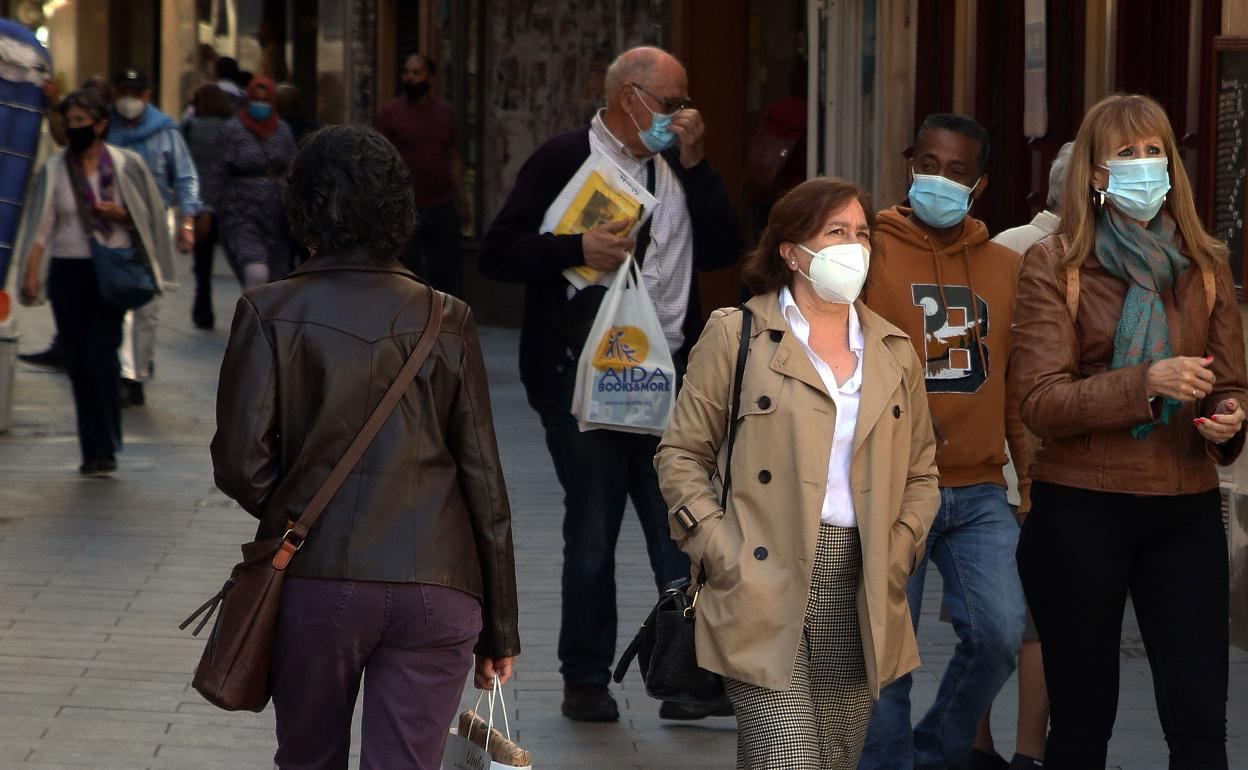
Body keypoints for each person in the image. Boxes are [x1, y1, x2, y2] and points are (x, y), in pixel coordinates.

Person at [211, 124, 520, 768]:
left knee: (308, 756)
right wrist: (501, 627)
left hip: (319, 578)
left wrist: (300, 517)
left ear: (302, 206)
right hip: (440, 583)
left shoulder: (268, 311)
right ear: (397, 207)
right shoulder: (447, 315)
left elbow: (242, 464)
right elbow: (484, 482)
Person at [478, 45, 742, 723]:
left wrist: (699, 166)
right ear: (632, 98)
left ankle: (684, 676)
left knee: (677, 528)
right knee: (592, 529)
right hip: (583, 383)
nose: (683, 114)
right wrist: (576, 249)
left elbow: (722, 251)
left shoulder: (679, 169)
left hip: (671, 381)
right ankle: (586, 678)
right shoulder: (564, 159)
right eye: (674, 101)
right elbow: (499, 253)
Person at [656, 177, 940, 768]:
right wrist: (719, 549)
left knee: (834, 757)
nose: (854, 246)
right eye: (836, 232)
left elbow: (921, 471)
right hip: (761, 575)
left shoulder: (894, 351)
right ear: (790, 249)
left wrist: (901, 546)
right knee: (785, 760)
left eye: (862, 234)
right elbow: (682, 455)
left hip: (861, 580)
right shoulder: (737, 335)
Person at [1012, 93, 1246, 770]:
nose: (1145, 167)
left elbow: (1230, 383)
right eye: (1127, 153)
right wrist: (1146, 383)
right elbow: (1040, 401)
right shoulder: (1055, 263)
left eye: (1155, 152)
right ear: (1094, 171)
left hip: (1184, 506)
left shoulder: (1206, 264)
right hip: (1081, 507)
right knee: (1083, 722)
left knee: (1201, 719)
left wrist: (1227, 419)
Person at [858, 113, 1029, 770]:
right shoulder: (868, 252)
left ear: (978, 184)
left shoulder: (1005, 268)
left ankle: (934, 751)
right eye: (929, 164)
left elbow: (1015, 382)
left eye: (957, 171)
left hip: (981, 487)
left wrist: (1030, 482)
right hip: (890, 485)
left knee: (999, 633)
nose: (940, 179)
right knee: (885, 654)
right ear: (909, 165)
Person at [963, 141, 1073, 770]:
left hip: (1004, 463)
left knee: (997, 616)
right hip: (1025, 463)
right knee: (1033, 619)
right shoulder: (1031, 255)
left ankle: (981, 745)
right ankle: (1024, 751)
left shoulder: (1002, 246)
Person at [14, 90, 171, 475]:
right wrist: (32, 271)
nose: (73, 128)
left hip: (110, 273)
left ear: (101, 125)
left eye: (81, 121)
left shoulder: (124, 165)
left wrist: (121, 213)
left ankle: (107, 444)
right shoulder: (55, 169)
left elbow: (149, 216)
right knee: (78, 363)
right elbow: (43, 225)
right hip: (69, 274)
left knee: (102, 356)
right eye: (69, 122)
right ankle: (92, 448)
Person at [107, 67, 200, 406]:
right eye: (124, 90)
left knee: (146, 303)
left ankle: (136, 374)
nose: (130, 98)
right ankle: (119, 368)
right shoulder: (104, 128)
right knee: (115, 301)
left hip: (153, 226)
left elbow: (185, 178)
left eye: (137, 91)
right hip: (110, 226)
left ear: (147, 95)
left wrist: (187, 222)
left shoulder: (166, 132)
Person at [374, 53, 470, 297]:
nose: (410, 78)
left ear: (431, 78)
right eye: (406, 72)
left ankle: (447, 323)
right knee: (407, 273)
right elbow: (380, 161)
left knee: (447, 272)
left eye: (416, 73)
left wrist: (463, 202)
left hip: (442, 205)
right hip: (406, 207)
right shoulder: (390, 114)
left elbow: (454, 158)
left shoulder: (445, 114)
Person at [202, 75, 295, 290]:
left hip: (276, 213)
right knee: (255, 270)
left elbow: (293, 169)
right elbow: (217, 171)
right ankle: (249, 319)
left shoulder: (283, 131)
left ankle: (268, 321)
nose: (260, 105)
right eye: (256, 99)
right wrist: (207, 209)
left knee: (277, 279)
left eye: (266, 100)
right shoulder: (232, 130)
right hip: (240, 211)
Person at [182, 83, 235, 329]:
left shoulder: (191, 126)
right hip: (229, 201)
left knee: (203, 263)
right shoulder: (232, 128)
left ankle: (203, 308)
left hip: (199, 200)